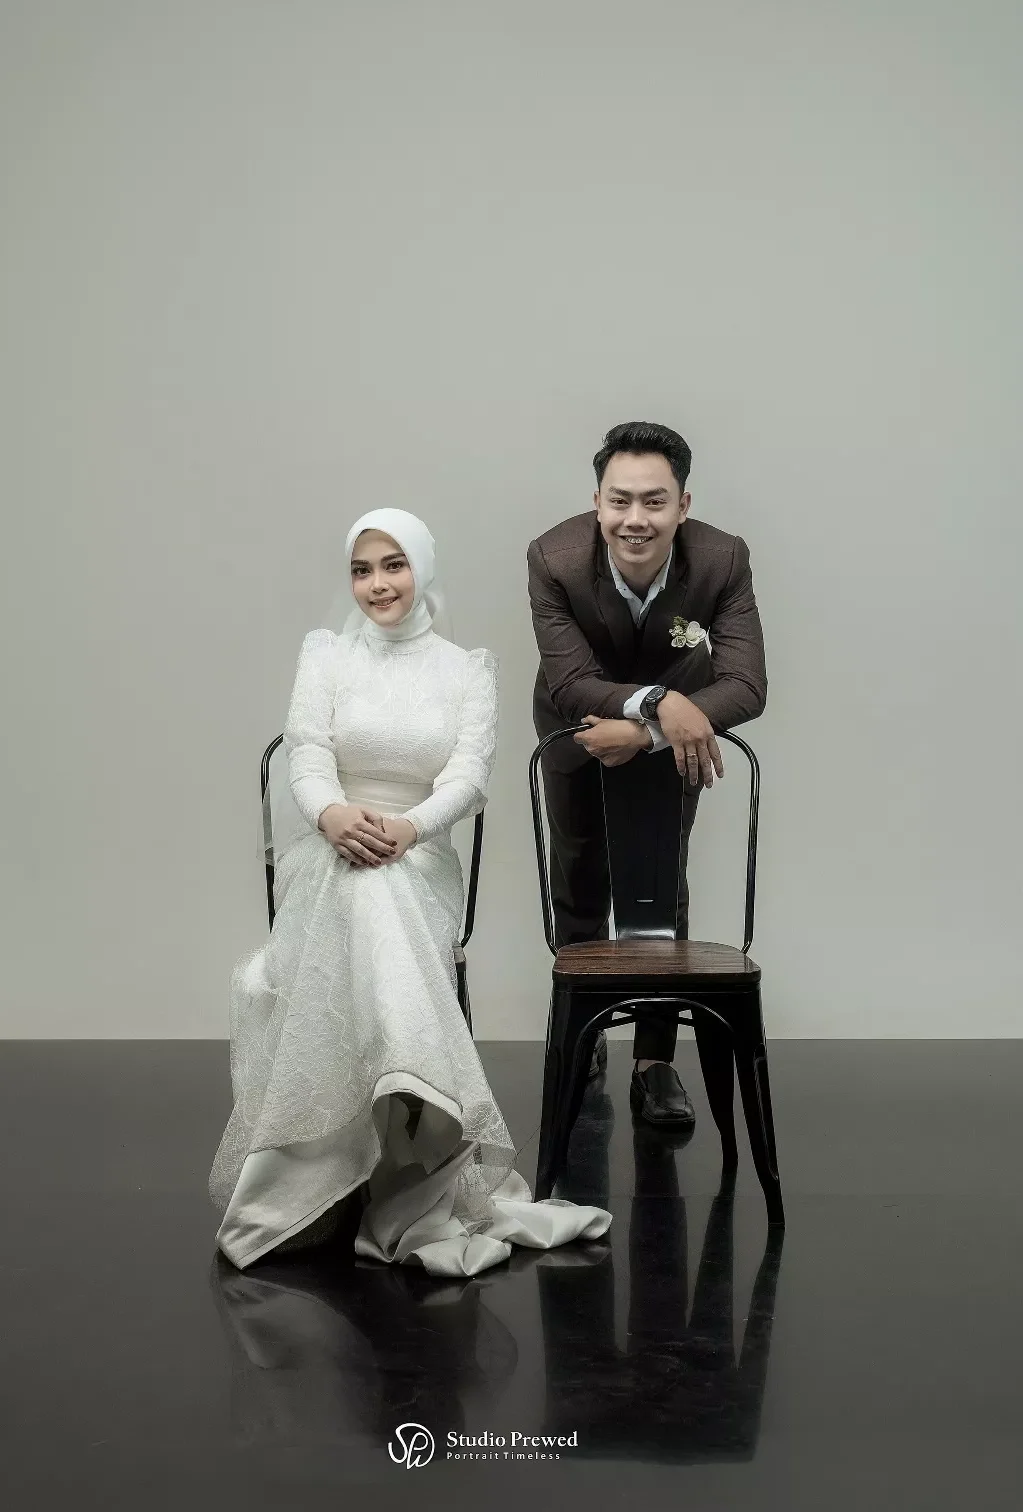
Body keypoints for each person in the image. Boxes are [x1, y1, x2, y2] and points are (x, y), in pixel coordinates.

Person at [210, 508, 611, 1277]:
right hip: (328, 849)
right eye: (361, 570)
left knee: (382, 888)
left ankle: (396, 1144)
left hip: (420, 858)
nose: (376, 585)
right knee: (360, 887)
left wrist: (409, 828)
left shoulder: (466, 670)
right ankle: (419, 1112)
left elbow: (466, 777)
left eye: (392, 565)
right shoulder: (326, 655)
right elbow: (306, 756)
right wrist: (333, 816)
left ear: (420, 569)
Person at [528, 421, 767, 1126]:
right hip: (579, 724)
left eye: (654, 502)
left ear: (682, 505)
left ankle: (655, 1061)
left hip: (671, 739)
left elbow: (746, 684)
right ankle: (583, 1032)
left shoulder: (722, 559)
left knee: (659, 885)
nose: (635, 519)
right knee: (578, 872)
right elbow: (570, 680)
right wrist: (662, 702)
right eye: (620, 500)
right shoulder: (554, 558)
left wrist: (649, 731)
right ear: (596, 501)